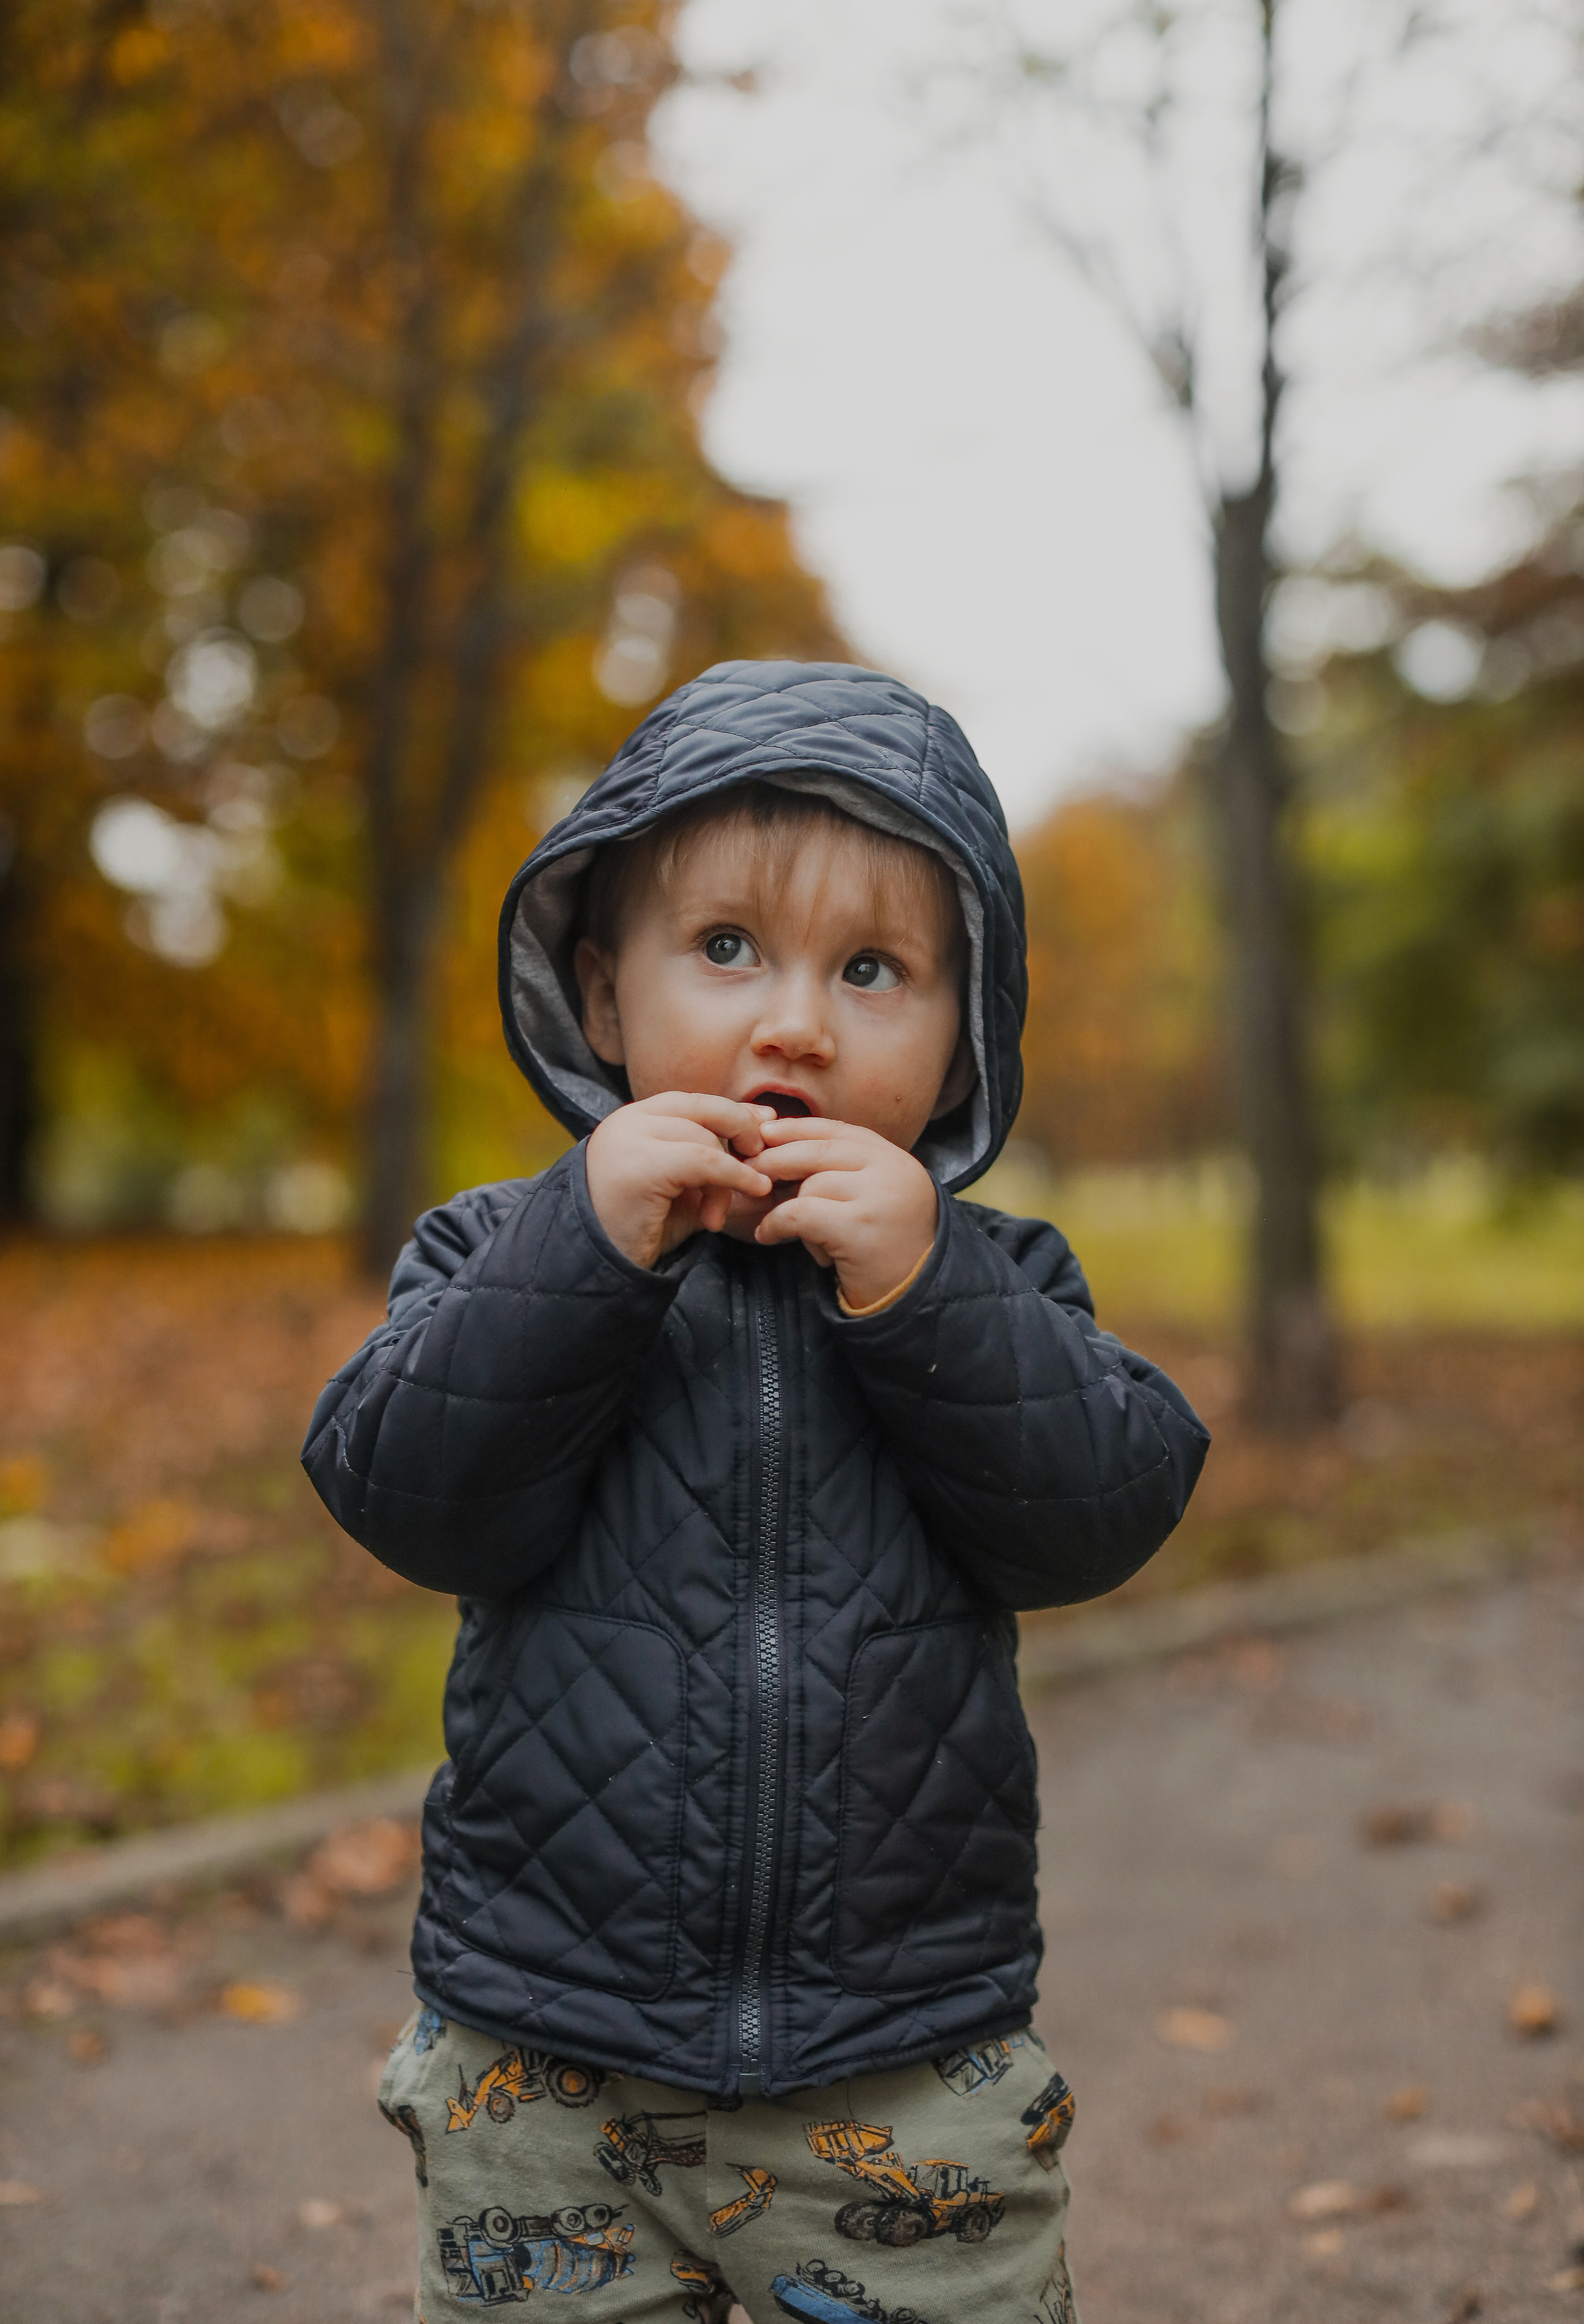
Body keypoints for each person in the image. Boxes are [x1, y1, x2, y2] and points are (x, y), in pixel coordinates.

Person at [304, 660, 1209, 2324]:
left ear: (961, 1046)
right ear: (602, 996)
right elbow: (410, 1495)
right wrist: (581, 1247)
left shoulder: (997, 1278)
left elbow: (1106, 1511)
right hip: (550, 2051)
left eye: (873, 970)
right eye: (727, 950)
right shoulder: (496, 1253)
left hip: (905, 2057)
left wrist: (931, 1297)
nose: (793, 1020)